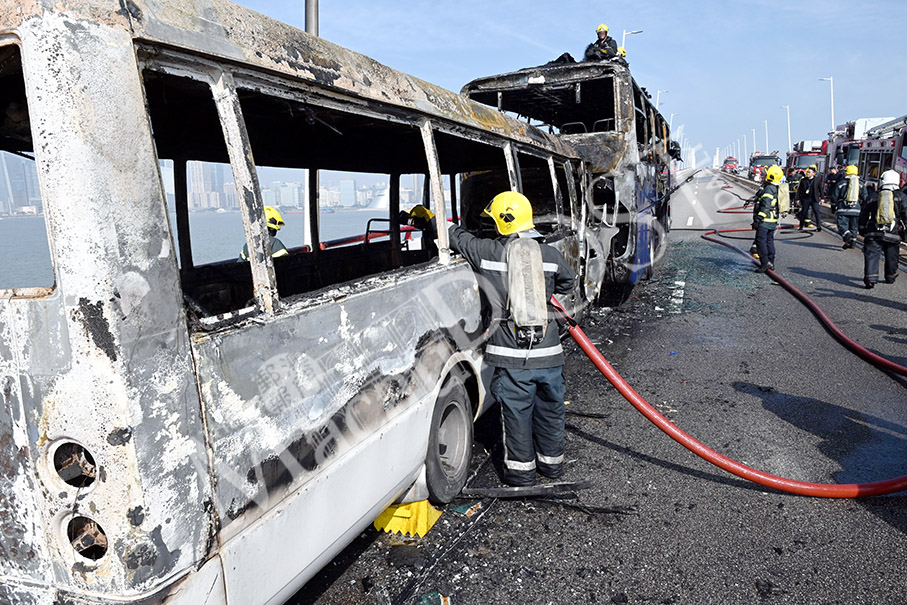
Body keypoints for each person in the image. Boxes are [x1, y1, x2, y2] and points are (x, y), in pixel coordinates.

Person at [410, 192, 576, 486]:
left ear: (503, 222)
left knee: (517, 413)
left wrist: (431, 219)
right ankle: (552, 467)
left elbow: (457, 237)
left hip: (512, 357)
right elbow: (567, 282)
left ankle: (521, 474)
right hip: (549, 355)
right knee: (551, 410)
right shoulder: (550, 255)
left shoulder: (489, 252)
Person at [858, 169, 907, 288]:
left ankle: (870, 279)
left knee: (871, 254)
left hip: (873, 232)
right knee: (892, 256)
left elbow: (864, 214)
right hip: (893, 233)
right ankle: (890, 276)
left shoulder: (873, 196)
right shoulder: (902, 197)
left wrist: (862, 229)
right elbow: (906, 215)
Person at [752, 165, 783, 272]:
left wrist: (758, 219)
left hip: (765, 220)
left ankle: (765, 263)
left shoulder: (769, 189)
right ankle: (771, 262)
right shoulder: (776, 187)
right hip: (772, 220)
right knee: (769, 241)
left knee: (760, 241)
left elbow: (765, 205)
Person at [832, 165, 867, 249]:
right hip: (856, 210)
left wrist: (833, 206)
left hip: (843, 209)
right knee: (854, 227)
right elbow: (865, 197)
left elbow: (834, 196)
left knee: (842, 226)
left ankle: (848, 237)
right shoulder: (861, 184)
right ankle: (853, 243)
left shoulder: (841, 183)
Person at [797, 165, 822, 231]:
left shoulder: (817, 180)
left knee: (816, 211)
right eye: (807, 172)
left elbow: (820, 189)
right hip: (806, 199)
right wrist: (798, 199)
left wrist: (822, 198)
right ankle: (801, 226)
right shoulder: (803, 180)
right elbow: (799, 190)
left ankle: (819, 226)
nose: (807, 173)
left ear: (813, 173)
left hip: (814, 199)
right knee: (804, 212)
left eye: (809, 172)